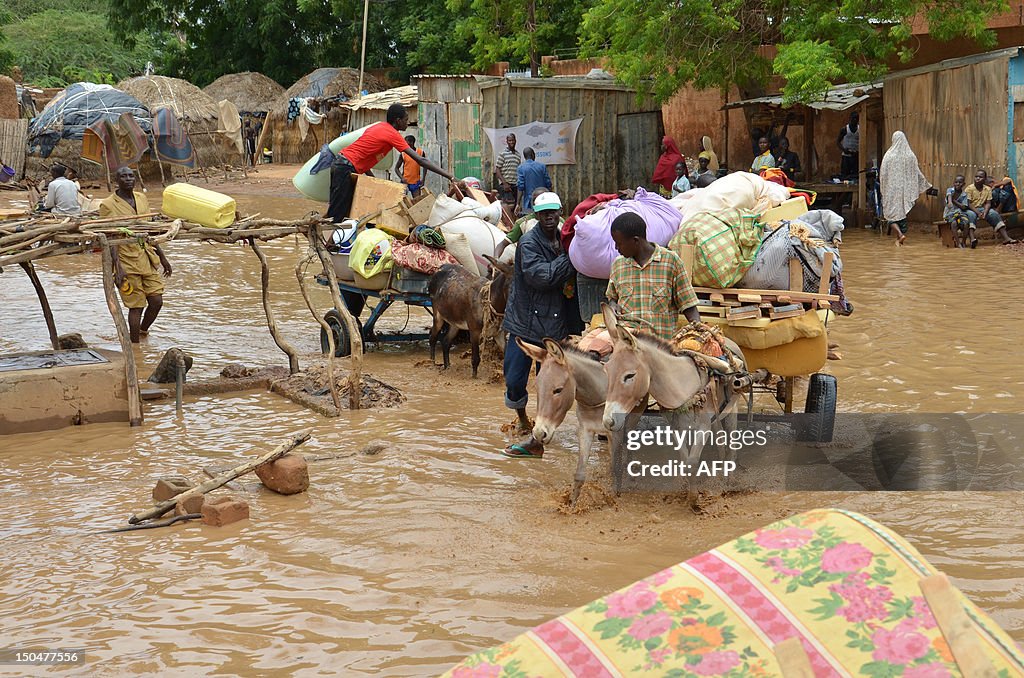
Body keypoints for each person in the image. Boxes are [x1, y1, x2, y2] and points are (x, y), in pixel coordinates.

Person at [501, 191, 577, 458]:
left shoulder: (563, 238)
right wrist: (571, 257)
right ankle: (522, 418)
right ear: (535, 215)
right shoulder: (528, 244)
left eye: (553, 213)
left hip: (554, 324)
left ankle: (543, 425)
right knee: (514, 377)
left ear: (559, 212)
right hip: (525, 322)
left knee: (550, 381)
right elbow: (543, 277)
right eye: (543, 214)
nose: (549, 218)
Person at [327, 103, 453, 222]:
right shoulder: (392, 134)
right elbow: (421, 160)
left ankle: (332, 241)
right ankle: (328, 243)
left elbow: (362, 158)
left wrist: (376, 182)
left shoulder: (379, 127)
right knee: (339, 214)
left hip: (342, 164)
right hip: (345, 167)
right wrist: (450, 177)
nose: (408, 122)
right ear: (398, 121)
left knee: (345, 210)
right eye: (406, 119)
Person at [99, 167, 172, 343]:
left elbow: (148, 230)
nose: (128, 179)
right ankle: (135, 348)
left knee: (156, 301)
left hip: (147, 257)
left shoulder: (141, 198)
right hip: (126, 260)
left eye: (131, 176)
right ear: (117, 180)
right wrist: (118, 268)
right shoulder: (108, 205)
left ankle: (142, 331)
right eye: (123, 176)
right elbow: (110, 238)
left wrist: (162, 257)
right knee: (136, 306)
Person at [606, 212, 700, 341]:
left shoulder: (671, 262)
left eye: (619, 243)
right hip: (628, 344)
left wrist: (699, 333)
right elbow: (613, 298)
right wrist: (612, 305)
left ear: (635, 241)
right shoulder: (618, 265)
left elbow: (688, 305)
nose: (616, 248)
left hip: (660, 347)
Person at [879, 131, 932, 246]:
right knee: (902, 213)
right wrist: (925, 183)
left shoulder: (889, 155)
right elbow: (916, 172)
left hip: (891, 190)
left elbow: (883, 174)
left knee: (890, 214)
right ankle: (900, 238)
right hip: (905, 190)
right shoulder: (910, 155)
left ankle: (900, 234)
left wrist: (883, 187)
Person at [965, 169, 1017, 246]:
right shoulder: (969, 188)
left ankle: (1006, 238)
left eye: (980, 177)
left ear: (985, 179)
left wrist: (985, 212)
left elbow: (988, 203)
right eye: (976, 176)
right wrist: (978, 213)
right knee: (971, 215)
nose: (978, 178)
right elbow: (969, 204)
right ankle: (972, 239)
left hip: (983, 208)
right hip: (972, 209)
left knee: (993, 213)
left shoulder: (988, 189)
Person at [496, 187, 550, 259]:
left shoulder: (558, 221)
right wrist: (495, 258)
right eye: (535, 200)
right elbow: (503, 244)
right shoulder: (524, 223)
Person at [516, 147, 552, 215]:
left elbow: (520, 187)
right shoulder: (542, 166)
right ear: (533, 155)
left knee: (530, 220)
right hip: (543, 199)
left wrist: (518, 203)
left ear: (525, 156)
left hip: (529, 202)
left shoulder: (521, 168)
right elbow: (548, 183)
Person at [944, 175, 972, 248]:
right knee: (953, 223)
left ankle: (963, 242)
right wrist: (950, 202)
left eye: (960, 182)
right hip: (949, 213)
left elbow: (964, 207)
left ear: (964, 184)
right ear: (954, 183)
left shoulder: (964, 194)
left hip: (960, 213)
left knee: (966, 223)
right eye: (956, 182)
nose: (958, 184)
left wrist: (954, 201)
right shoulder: (950, 190)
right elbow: (949, 196)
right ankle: (958, 243)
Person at [494, 133, 521, 208]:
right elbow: (497, 170)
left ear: (515, 141)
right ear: (507, 141)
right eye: (510, 140)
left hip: (515, 186)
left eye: (513, 140)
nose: (511, 142)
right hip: (505, 186)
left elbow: (518, 170)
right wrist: (504, 183)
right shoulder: (503, 154)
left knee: (515, 207)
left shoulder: (518, 155)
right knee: (506, 207)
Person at [837, 111, 860, 180]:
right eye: (853, 118)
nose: (855, 120)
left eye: (856, 118)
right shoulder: (845, 129)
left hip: (855, 156)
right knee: (844, 176)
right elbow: (838, 142)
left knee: (855, 176)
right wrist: (844, 150)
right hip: (846, 157)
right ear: (850, 118)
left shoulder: (860, 129)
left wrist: (858, 152)